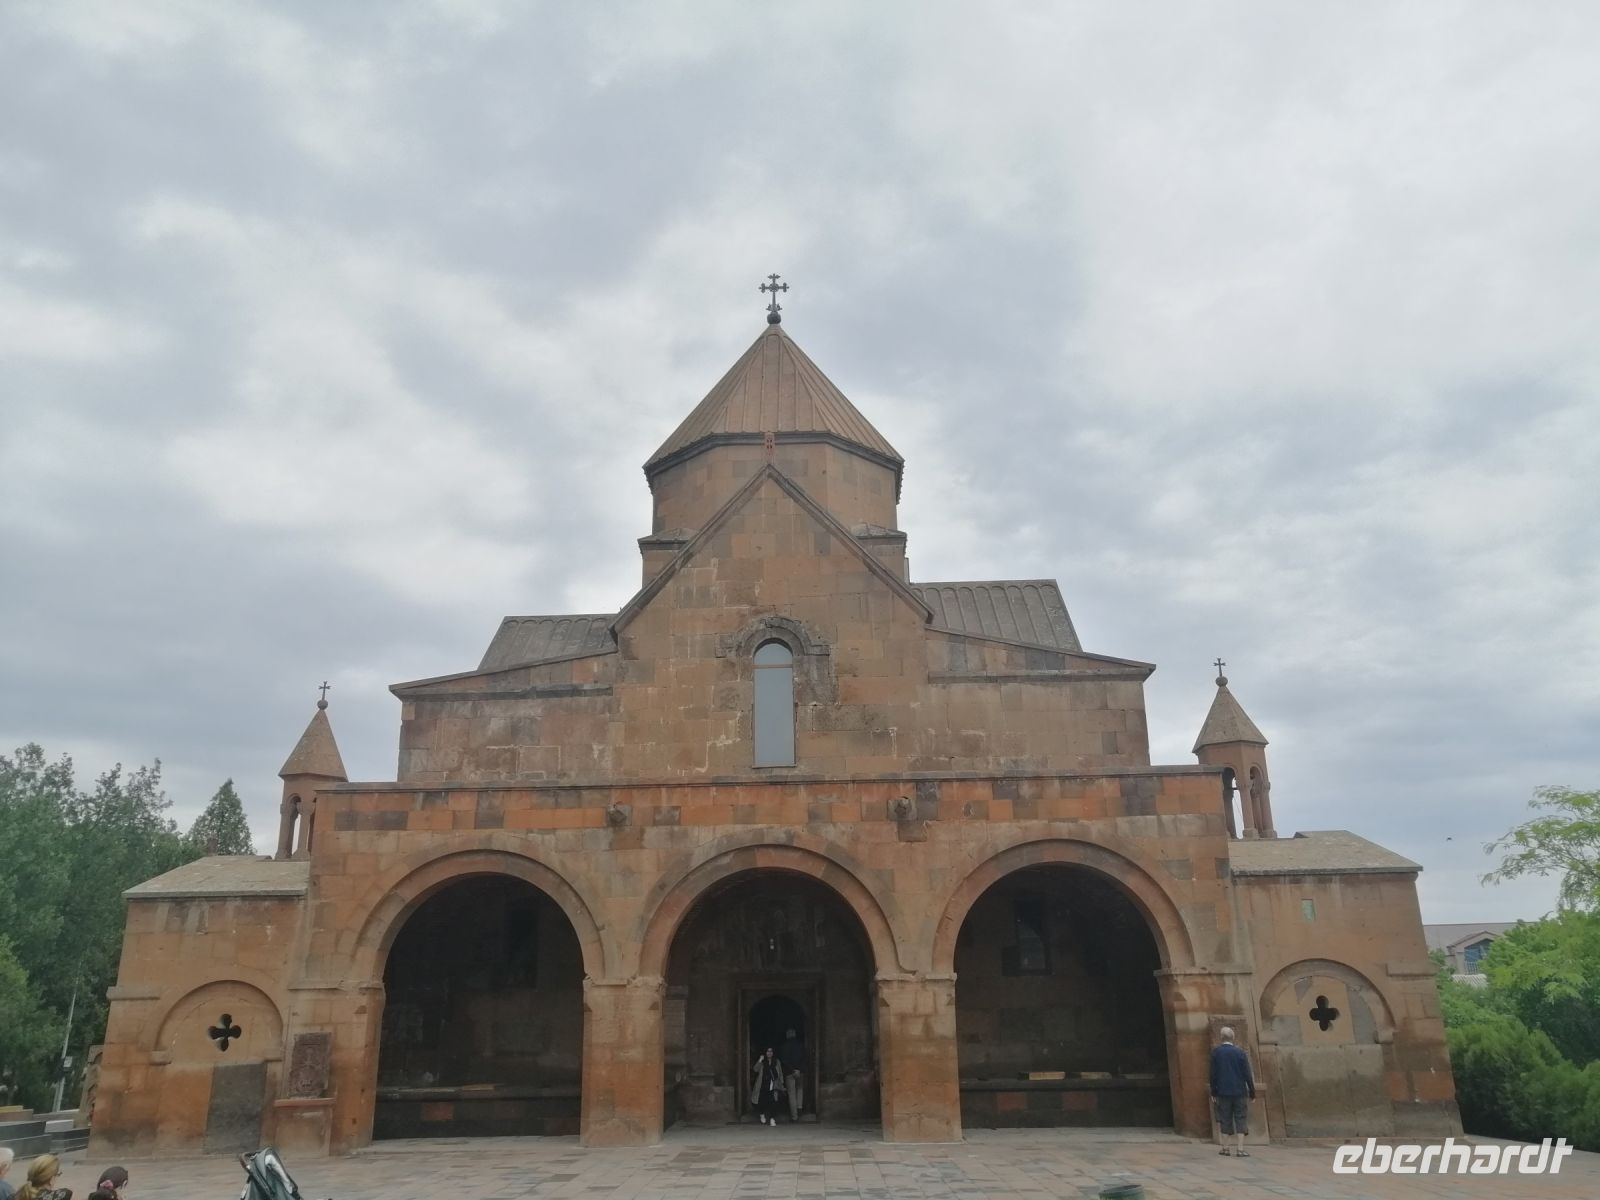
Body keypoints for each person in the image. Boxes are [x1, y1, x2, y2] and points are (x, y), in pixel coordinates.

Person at [1209, 1026, 1255, 1157]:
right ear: (1233, 1037)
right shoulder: (1240, 1053)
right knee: (1241, 1118)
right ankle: (1240, 1149)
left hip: (1223, 1091)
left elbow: (1213, 1074)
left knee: (1225, 1118)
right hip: (1239, 1091)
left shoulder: (1216, 1053)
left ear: (1221, 1037)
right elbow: (1247, 1074)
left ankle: (1226, 1148)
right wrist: (1252, 1091)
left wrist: (1213, 1091)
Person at [750, 1046, 787, 1127]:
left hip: (774, 1085)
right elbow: (755, 1069)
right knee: (762, 1101)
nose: (769, 1053)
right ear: (765, 1052)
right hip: (763, 1084)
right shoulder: (763, 1061)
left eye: (771, 1051)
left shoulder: (776, 1061)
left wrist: (782, 1084)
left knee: (773, 1101)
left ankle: (772, 1119)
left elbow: (780, 1073)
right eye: (768, 1051)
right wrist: (760, 1060)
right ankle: (762, 1114)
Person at [778, 1028, 806, 1122]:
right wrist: (799, 1069)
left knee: (791, 1094)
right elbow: (804, 1058)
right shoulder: (800, 1045)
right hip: (800, 1072)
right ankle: (799, 1107)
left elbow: (784, 1060)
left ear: (787, 1035)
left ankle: (794, 1116)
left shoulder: (785, 1046)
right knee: (800, 1089)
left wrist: (792, 1069)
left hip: (789, 1072)